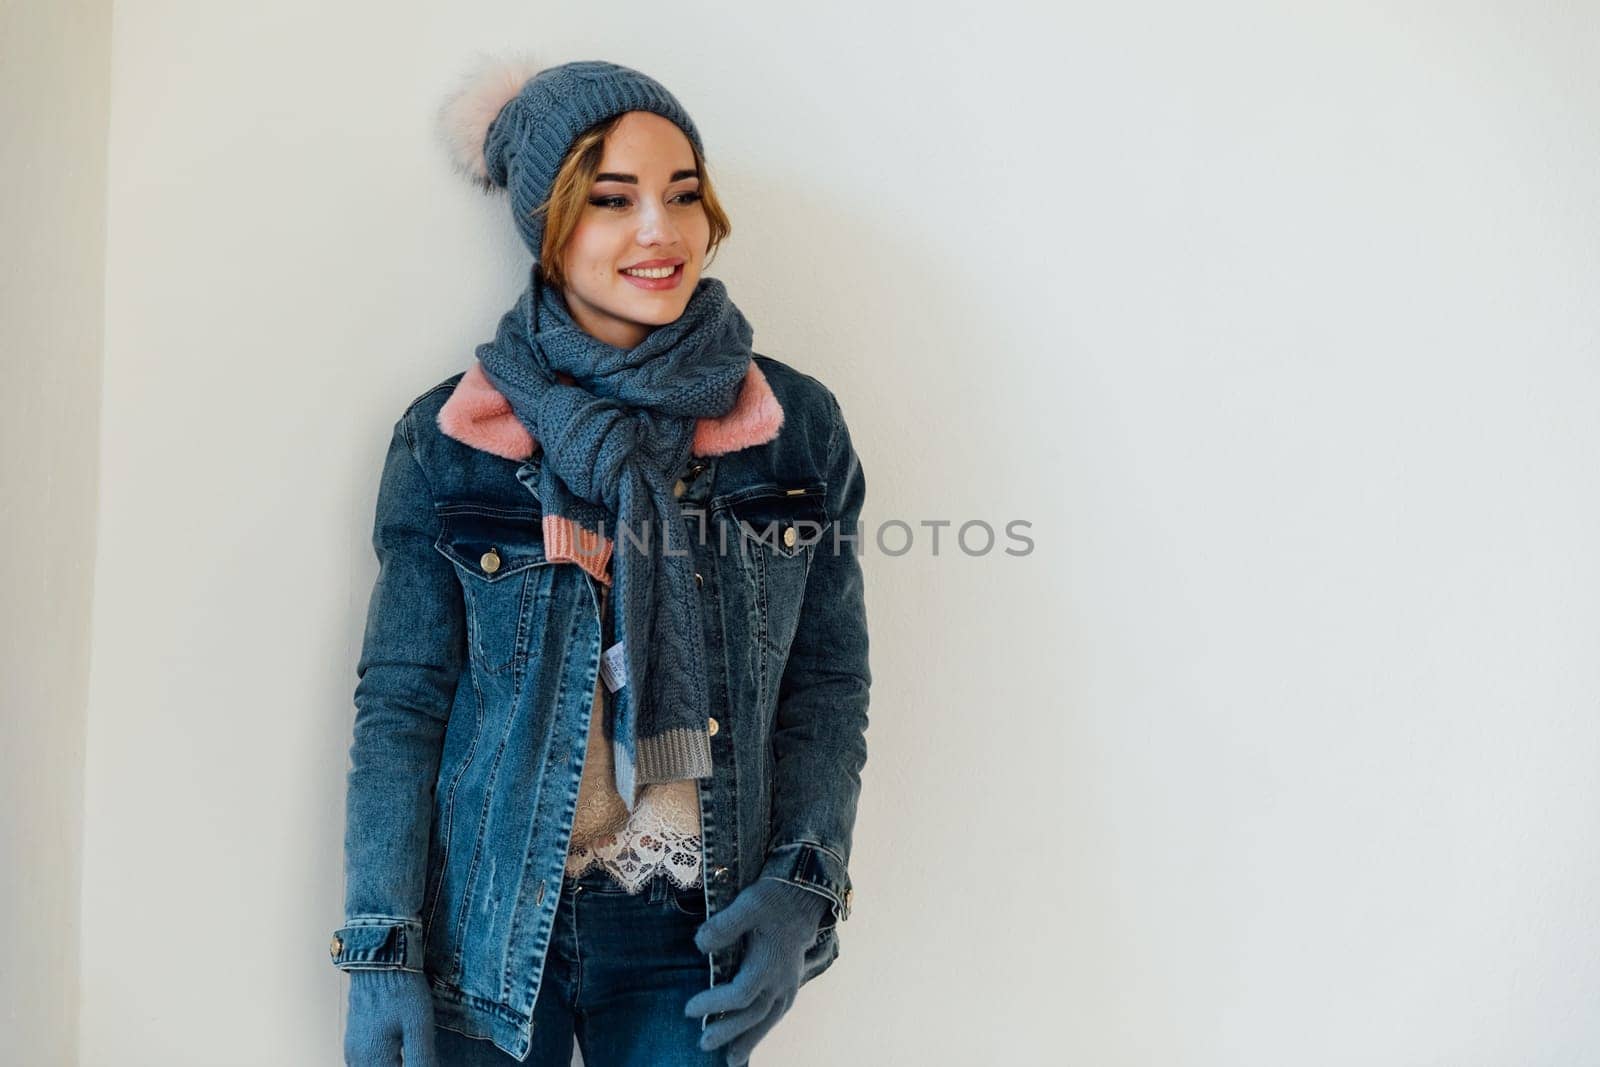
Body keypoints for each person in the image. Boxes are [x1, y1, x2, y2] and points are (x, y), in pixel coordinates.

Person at [327, 57, 872, 1067]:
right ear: (549, 223)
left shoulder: (790, 428)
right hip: (484, 928)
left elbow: (825, 684)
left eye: (682, 193)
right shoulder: (452, 435)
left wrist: (804, 887)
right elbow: (402, 700)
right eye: (612, 199)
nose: (661, 230)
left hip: (695, 932)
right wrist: (380, 950)